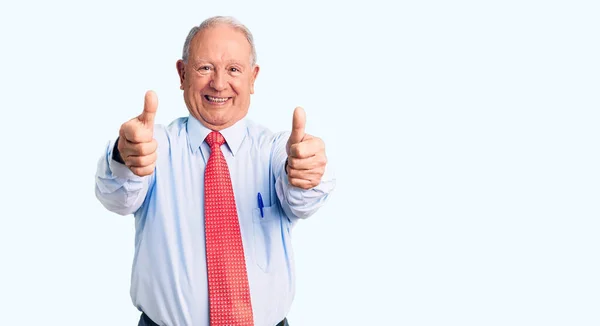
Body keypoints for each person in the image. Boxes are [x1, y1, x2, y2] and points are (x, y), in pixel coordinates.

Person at [94, 15, 335, 326]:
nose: (219, 83)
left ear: (253, 78)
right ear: (182, 74)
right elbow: (116, 197)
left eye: (234, 69)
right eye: (204, 68)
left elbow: (303, 200)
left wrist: (307, 173)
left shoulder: (275, 149)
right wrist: (123, 155)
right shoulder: (156, 146)